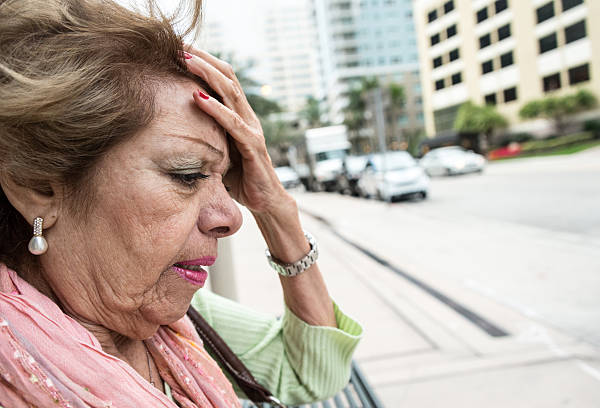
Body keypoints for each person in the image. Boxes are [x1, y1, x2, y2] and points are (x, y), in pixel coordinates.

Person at [0, 0, 363, 406]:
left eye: (225, 180)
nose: (231, 217)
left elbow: (312, 374)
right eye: (187, 175)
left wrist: (274, 207)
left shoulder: (177, 314)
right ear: (37, 187)